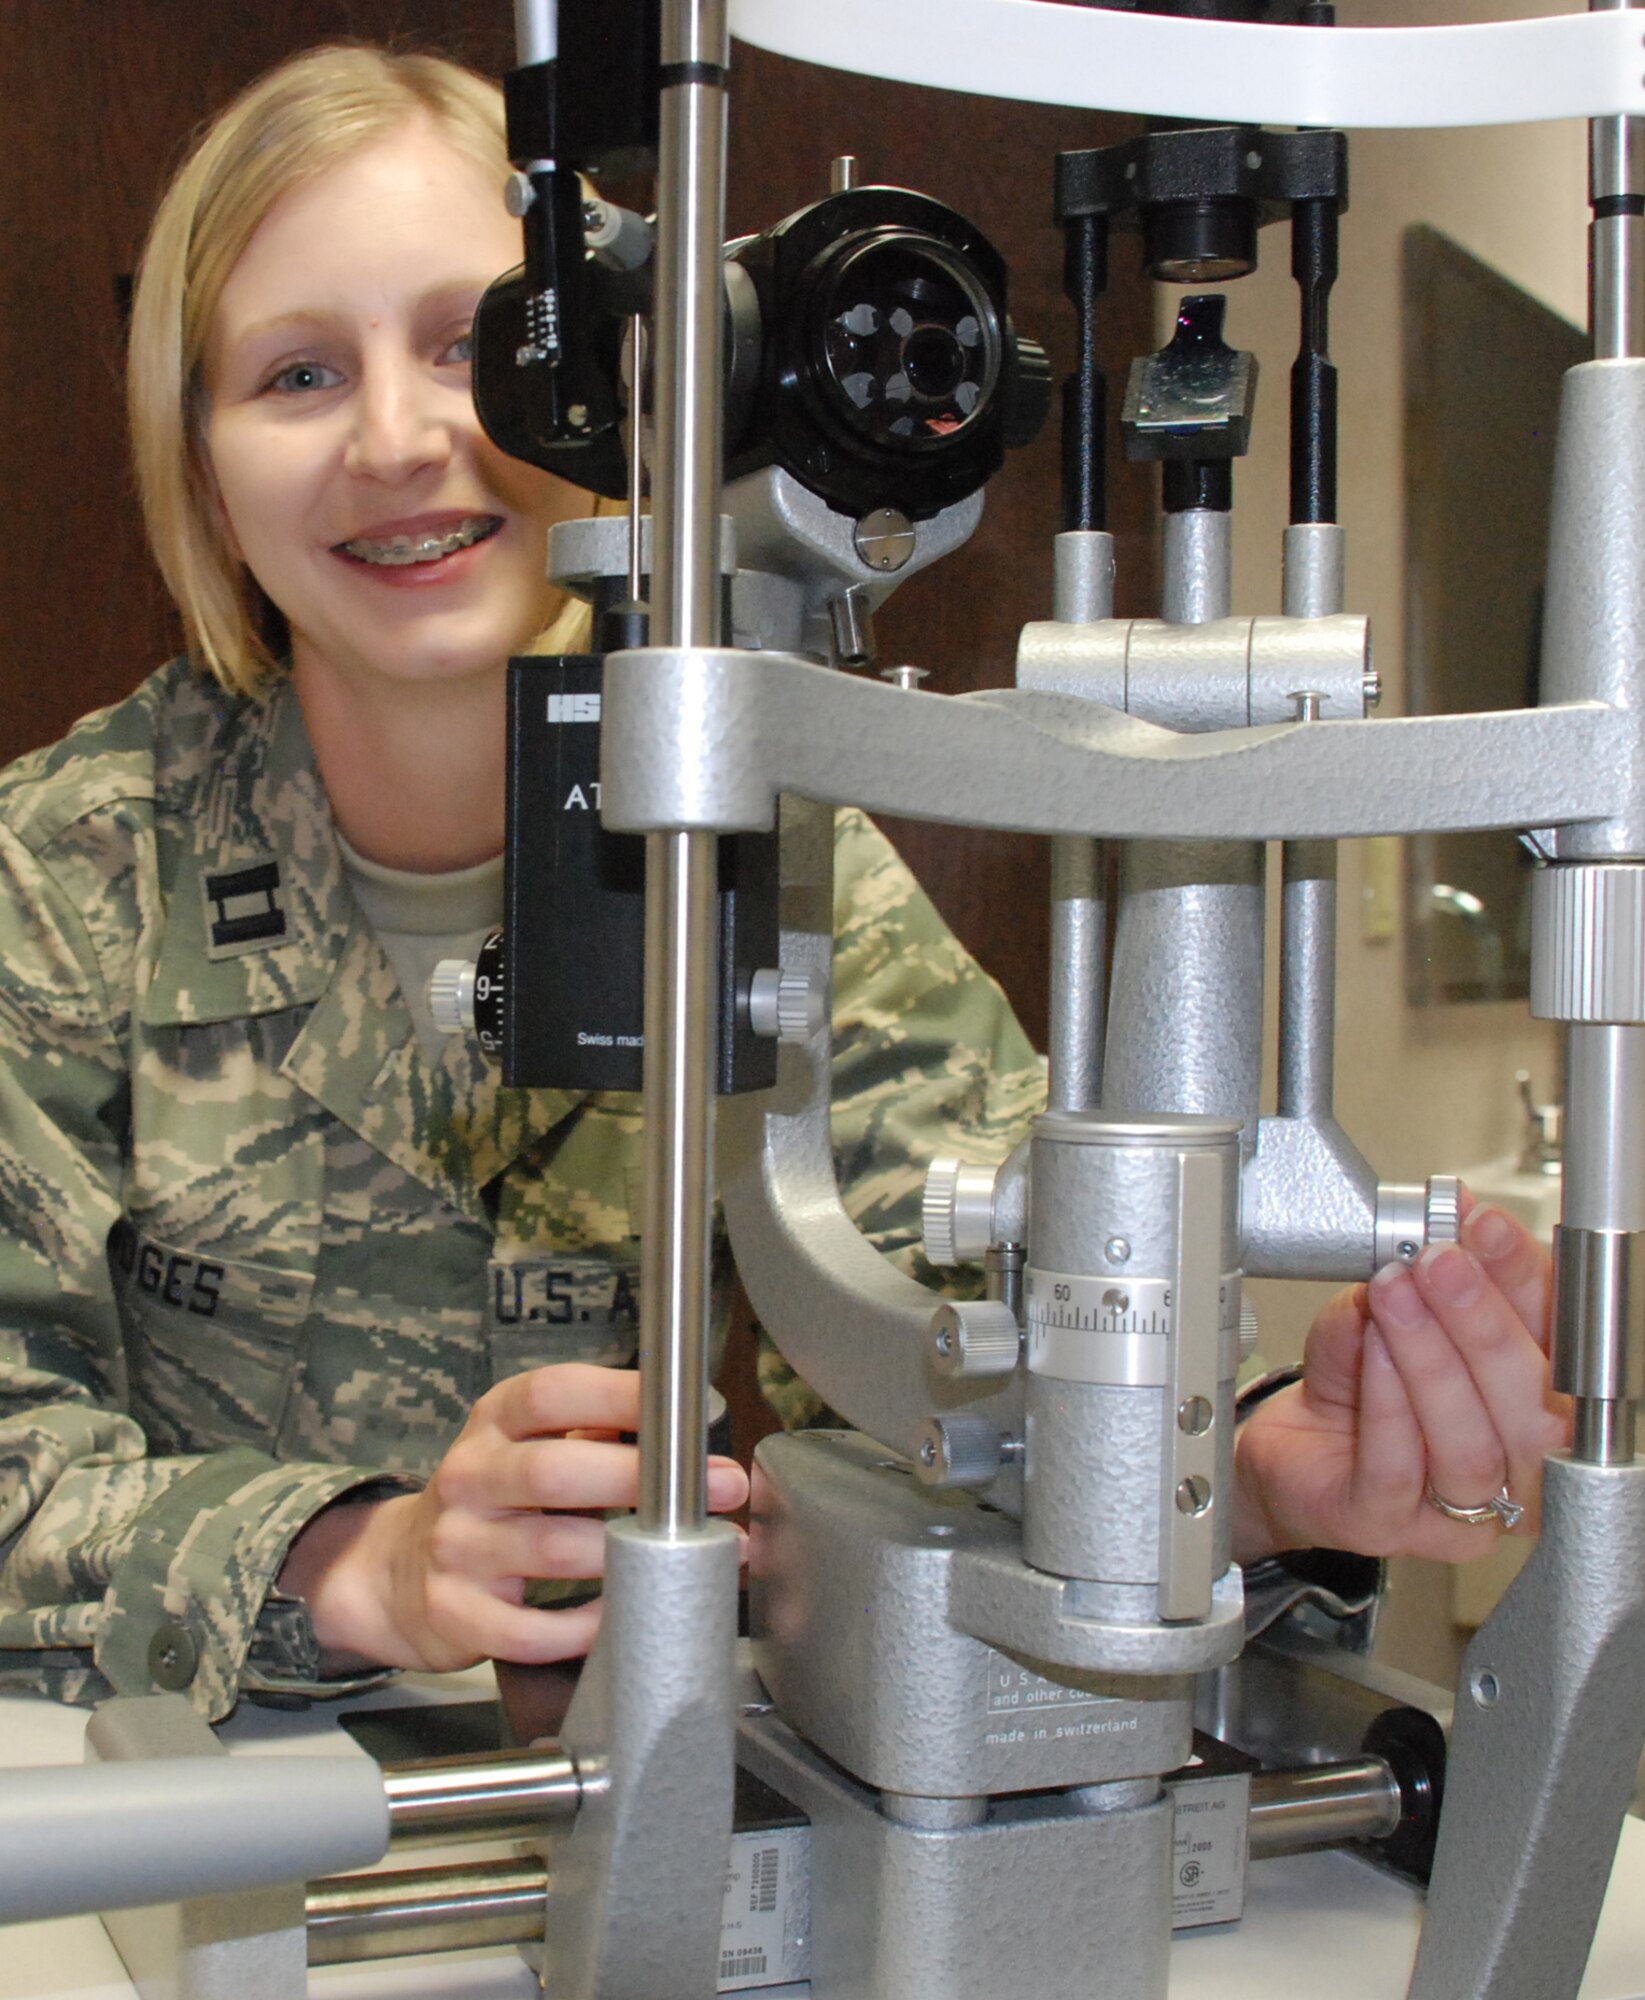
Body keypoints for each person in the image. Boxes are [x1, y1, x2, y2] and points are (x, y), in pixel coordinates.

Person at [0, 44, 1561, 1725]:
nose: (399, 439)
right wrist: (351, 1566)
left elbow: (948, 1312)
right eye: (298, 375)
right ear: (202, 463)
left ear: (618, 400)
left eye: (474, 349)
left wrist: (1246, 1467)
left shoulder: (771, 838)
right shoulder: (64, 877)